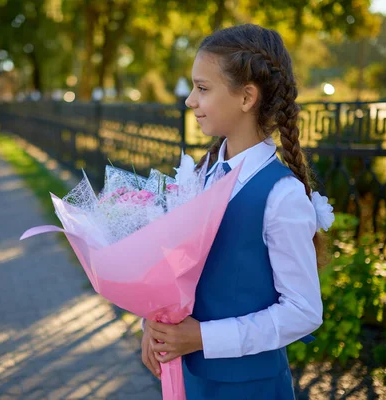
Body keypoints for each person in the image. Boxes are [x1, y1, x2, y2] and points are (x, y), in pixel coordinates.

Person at [141, 24, 333, 399]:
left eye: (203, 88)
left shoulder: (281, 195)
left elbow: (304, 312)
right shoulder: (201, 174)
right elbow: (176, 269)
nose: (190, 101)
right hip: (192, 377)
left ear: (246, 97)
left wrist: (202, 337)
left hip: (249, 387)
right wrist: (153, 323)